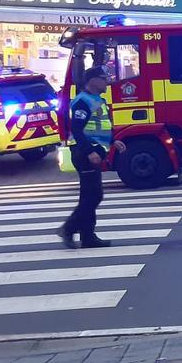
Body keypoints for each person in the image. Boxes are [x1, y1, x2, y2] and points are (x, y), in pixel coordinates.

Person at [59, 67, 126, 248]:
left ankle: (88, 237)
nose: (107, 82)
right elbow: (77, 129)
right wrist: (90, 151)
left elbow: (99, 126)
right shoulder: (83, 101)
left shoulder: (97, 100)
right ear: (93, 81)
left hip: (92, 151)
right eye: (103, 79)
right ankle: (69, 228)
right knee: (94, 195)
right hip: (84, 153)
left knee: (89, 196)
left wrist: (113, 141)